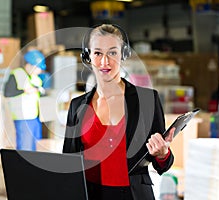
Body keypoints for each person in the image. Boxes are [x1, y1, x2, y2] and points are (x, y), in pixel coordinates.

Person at [62, 24, 175, 200]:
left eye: (112, 53)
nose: (105, 62)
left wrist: (163, 154)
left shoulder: (147, 100)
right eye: (98, 53)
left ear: (123, 55)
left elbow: (163, 165)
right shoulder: (77, 107)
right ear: (88, 57)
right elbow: (68, 166)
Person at [4, 49, 46, 151]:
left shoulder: (36, 78)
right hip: (22, 118)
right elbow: (7, 92)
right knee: (25, 148)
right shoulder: (16, 74)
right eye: (38, 68)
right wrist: (24, 91)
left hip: (35, 118)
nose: (40, 71)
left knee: (35, 147)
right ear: (30, 65)